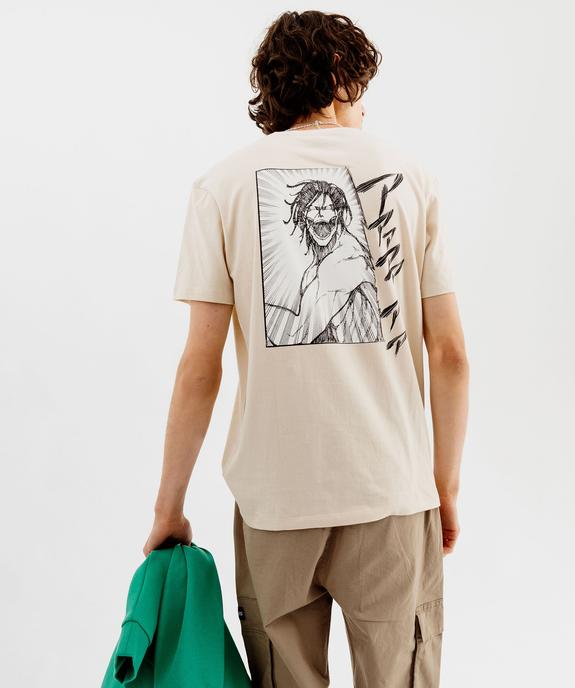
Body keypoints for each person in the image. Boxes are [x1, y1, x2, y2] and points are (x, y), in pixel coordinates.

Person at [143, 9, 469, 688]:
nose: (365, 107)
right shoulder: (411, 176)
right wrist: (443, 485)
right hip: (390, 490)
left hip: (274, 503)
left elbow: (199, 367)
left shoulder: (220, 187)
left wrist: (168, 507)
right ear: (342, 78)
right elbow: (449, 355)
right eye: (362, 88)